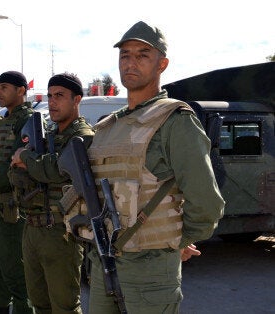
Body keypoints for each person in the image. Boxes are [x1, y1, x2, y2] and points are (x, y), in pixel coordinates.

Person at [82, 21, 225, 313]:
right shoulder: (107, 126)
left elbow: (206, 202)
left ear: (162, 64)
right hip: (102, 260)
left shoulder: (176, 121)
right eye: (125, 55)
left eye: (142, 55)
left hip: (150, 270)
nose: (130, 62)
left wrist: (174, 240)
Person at [10, 72, 93, 314]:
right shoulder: (47, 138)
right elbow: (17, 174)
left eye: (59, 96)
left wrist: (26, 158)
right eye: (49, 96)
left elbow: (56, 170)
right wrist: (25, 163)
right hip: (33, 228)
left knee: (64, 305)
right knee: (40, 303)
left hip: (61, 232)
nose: (52, 102)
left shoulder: (83, 136)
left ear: (77, 99)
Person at [0, 71, 33, 314]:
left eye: (4, 87)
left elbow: (14, 162)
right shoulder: (2, 121)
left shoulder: (29, 120)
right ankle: (1, 307)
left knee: (14, 269)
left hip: (11, 206)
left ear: (21, 90)